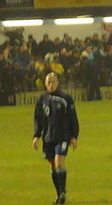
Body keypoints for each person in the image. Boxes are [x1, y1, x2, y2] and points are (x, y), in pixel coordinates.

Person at [32, 73, 79, 205]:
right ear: (45, 84)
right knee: (53, 165)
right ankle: (59, 194)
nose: (51, 85)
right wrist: (36, 135)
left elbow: (72, 118)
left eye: (53, 82)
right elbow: (38, 119)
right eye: (48, 82)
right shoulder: (42, 99)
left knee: (59, 163)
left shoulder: (65, 98)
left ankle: (63, 192)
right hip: (48, 138)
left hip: (62, 137)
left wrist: (74, 136)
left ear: (57, 82)